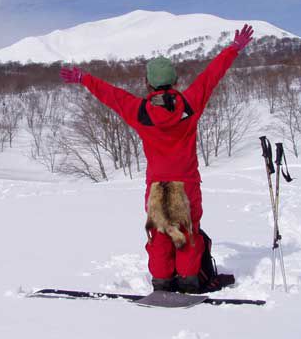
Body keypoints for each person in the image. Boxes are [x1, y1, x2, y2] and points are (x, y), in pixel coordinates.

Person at [60, 24, 254, 293]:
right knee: (186, 233)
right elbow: (211, 76)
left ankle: (162, 281)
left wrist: (84, 78)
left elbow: (111, 95)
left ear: (148, 84)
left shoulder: (140, 111)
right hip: (186, 185)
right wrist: (233, 49)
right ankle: (189, 281)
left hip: (157, 187)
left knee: (161, 233)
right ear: (175, 81)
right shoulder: (189, 103)